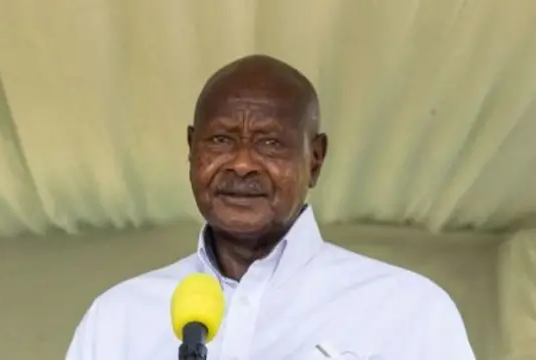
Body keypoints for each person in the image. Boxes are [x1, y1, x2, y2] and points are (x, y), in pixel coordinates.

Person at [65, 54, 476, 360]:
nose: (242, 163)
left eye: (270, 143)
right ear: (192, 150)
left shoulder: (409, 310)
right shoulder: (116, 320)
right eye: (221, 140)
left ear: (315, 159)